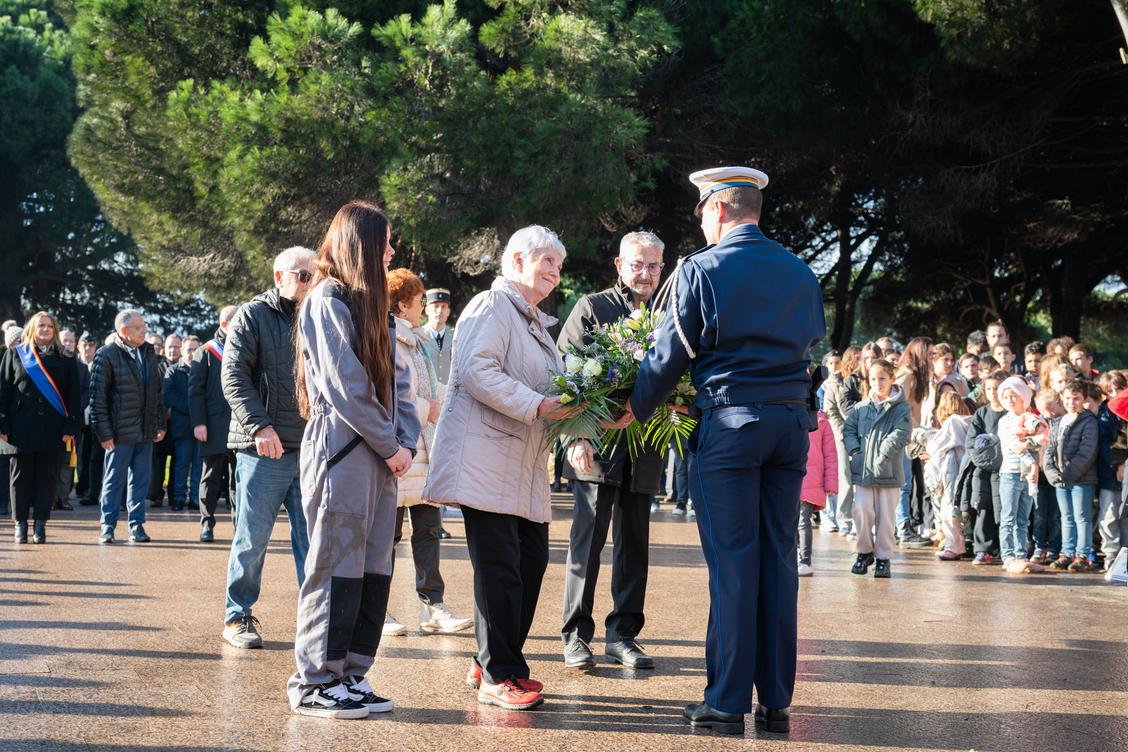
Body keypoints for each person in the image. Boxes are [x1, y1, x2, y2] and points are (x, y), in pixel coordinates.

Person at [627, 166, 825, 735]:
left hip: (733, 425)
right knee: (778, 559)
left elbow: (671, 352)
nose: (703, 227)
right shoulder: (799, 270)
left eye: (703, 215)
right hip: (790, 426)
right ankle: (776, 699)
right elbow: (810, 342)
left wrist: (634, 407)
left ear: (717, 210)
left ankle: (726, 700)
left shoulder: (702, 268)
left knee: (734, 563)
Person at [424, 225, 573, 712]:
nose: (555, 271)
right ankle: (499, 674)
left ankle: (488, 659)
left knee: (529, 563)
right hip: (486, 459)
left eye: (559, 264)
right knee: (500, 569)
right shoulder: (492, 306)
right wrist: (538, 404)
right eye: (547, 261)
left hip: (524, 467)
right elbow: (476, 370)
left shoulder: (537, 324)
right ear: (517, 261)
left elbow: (556, 390)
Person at [287, 201, 420, 720]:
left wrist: (405, 443)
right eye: (384, 242)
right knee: (334, 567)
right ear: (359, 244)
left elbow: (400, 384)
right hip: (343, 450)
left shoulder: (373, 306)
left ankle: (350, 674)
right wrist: (391, 445)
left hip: (382, 455)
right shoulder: (327, 299)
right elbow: (346, 385)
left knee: (372, 568)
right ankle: (314, 681)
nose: (391, 251)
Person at [557, 230, 667, 671]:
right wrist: (575, 436)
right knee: (587, 545)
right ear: (620, 265)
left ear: (662, 268)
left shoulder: (667, 315)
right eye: (637, 264)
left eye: (653, 266)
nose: (645, 273)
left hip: (645, 446)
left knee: (634, 547)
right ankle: (575, 635)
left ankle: (623, 635)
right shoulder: (593, 308)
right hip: (597, 444)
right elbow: (566, 375)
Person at [221, 246, 314, 649]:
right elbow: (233, 376)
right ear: (279, 277)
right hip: (264, 448)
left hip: (310, 446)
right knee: (253, 537)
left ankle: (315, 619)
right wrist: (260, 426)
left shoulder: (318, 315)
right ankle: (237, 616)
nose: (310, 283)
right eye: (303, 276)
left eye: (316, 275)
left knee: (312, 540)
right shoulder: (252, 315)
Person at [384, 268, 472, 636]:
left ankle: (433, 605)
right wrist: (428, 409)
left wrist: (458, 397)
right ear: (403, 304)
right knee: (386, 537)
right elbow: (388, 394)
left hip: (423, 449)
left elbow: (430, 387)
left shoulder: (416, 339)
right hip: (398, 450)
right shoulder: (389, 338)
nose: (424, 306)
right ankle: (379, 610)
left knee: (428, 531)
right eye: (420, 300)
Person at [0, 312, 81, 543]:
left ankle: (40, 524)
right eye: (41, 325)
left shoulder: (66, 358)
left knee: (47, 478)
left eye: (49, 326)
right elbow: (2, 390)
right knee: (20, 478)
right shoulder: (15, 353)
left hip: (52, 429)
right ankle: (20, 523)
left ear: (55, 330)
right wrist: (2, 422)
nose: (45, 329)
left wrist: (71, 425)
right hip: (20, 428)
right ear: (31, 329)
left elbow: (74, 397)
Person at [90, 310, 166, 544]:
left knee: (140, 481)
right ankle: (108, 525)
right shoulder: (106, 354)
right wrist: (104, 433)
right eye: (139, 327)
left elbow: (157, 392)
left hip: (145, 430)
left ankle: (137, 525)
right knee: (114, 481)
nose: (145, 331)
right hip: (118, 433)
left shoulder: (149, 353)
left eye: (145, 326)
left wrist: (159, 423)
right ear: (124, 331)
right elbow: (97, 399)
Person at [845, 359, 912, 579]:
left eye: (882, 378)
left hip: (888, 470)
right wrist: (856, 451)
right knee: (861, 509)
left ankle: (883, 557)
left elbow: (902, 433)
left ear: (892, 379)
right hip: (864, 470)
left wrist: (883, 454)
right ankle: (864, 552)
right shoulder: (861, 407)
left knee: (886, 518)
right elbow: (849, 429)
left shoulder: (901, 407)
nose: (877, 383)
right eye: (873, 379)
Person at [191, 305, 238, 542]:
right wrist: (199, 423)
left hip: (239, 427)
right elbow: (195, 391)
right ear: (224, 325)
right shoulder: (206, 352)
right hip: (213, 426)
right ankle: (207, 524)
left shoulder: (244, 347)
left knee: (238, 480)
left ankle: (239, 526)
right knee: (210, 478)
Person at [1044, 380, 1099, 572]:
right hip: (1061, 479)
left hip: (1081, 479)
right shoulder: (1058, 421)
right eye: (1067, 398)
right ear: (1061, 398)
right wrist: (1051, 473)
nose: (1071, 402)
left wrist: (1067, 474)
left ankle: (1082, 555)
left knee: (1081, 517)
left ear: (1084, 399)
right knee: (1066, 517)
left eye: (1076, 398)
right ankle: (1067, 553)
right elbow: (1049, 449)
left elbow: (1087, 452)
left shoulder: (1089, 421)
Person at [995, 376, 1046, 574]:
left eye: (1014, 396)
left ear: (1023, 396)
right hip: (1010, 474)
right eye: (1006, 397)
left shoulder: (1032, 419)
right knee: (1008, 518)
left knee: (1023, 519)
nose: (1009, 400)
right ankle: (1008, 557)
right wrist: (1032, 462)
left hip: (1028, 476)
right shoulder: (1004, 421)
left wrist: (1031, 444)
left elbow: (1043, 439)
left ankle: (1021, 555)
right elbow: (1014, 446)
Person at [925, 392, 973, 560]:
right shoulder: (970, 421)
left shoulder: (952, 423)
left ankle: (954, 546)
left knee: (949, 509)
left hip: (952, 473)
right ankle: (966, 543)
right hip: (968, 470)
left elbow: (933, 446)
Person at [895, 337, 932, 546]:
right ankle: (903, 529)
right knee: (903, 484)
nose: (932, 358)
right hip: (901, 436)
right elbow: (895, 405)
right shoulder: (907, 375)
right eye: (930, 354)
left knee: (905, 484)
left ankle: (901, 527)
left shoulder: (915, 376)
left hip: (909, 435)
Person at [162, 336, 201, 511]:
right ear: (182, 351)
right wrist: (193, 407)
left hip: (201, 426)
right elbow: (169, 396)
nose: (192, 353)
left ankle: (195, 499)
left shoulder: (204, 370)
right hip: (182, 427)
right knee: (182, 464)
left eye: (195, 350)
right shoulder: (172, 371)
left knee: (198, 465)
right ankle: (178, 498)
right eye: (189, 349)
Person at [798, 407, 838, 576]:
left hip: (810, 480)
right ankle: (791, 557)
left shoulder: (822, 422)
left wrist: (831, 484)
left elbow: (830, 455)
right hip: (788, 478)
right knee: (787, 522)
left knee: (803, 521)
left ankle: (805, 561)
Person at [1096, 371, 1127, 570]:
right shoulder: (1105, 412)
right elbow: (1106, 443)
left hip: (1124, 469)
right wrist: (1118, 464)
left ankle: (1124, 555)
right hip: (1109, 471)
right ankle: (1111, 555)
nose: (1115, 394)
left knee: (1125, 515)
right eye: (1110, 391)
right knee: (1109, 515)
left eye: (1119, 389)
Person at [74, 332, 99, 506]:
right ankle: (78, 487)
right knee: (77, 453)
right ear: (79, 347)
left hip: (94, 418)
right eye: (85, 345)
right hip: (78, 416)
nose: (88, 348)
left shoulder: (99, 364)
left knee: (91, 455)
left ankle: (88, 487)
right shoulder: (74, 366)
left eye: (91, 345)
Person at [423, 288, 453, 384]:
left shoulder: (456, 337)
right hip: (427, 392)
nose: (439, 310)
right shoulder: (418, 336)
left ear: (448, 311)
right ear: (427, 310)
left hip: (449, 392)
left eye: (443, 306)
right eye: (436, 306)